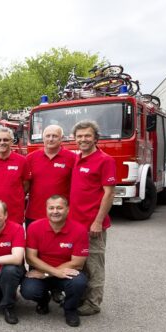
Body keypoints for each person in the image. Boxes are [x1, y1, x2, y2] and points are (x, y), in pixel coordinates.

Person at [69, 120, 116, 316]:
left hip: (93, 225)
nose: (83, 139)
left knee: (94, 265)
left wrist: (97, 221)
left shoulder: (105, 160)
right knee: (80, 264)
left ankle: (93, 303)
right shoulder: (77, 158)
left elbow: (109, 194)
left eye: (87, 136)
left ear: (96, 138)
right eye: (79, 136)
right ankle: (80, 297)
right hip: (75, 224)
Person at [22, 195, 89, 327]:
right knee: (28, 290)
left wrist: (48, 273)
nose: (55, 211)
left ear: (68, 209)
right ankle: (43, 300)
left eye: (59, 208)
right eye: (51, 208)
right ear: (46, 209)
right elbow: (30, 258)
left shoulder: (79, 230)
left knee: (79, 282)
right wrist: (51, 272)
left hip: (63, 273)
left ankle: (70, 309)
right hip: (43, 272)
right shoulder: (34, 227)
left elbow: (78, 262)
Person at [25, 125, 75, 226]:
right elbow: (23, 186)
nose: (50, 139)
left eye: (55, 136)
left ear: (61, 138)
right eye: (47, 136)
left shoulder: (73, 158)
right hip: (34, 215)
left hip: (61, 214)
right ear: (43, 138)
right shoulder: (30, 158)